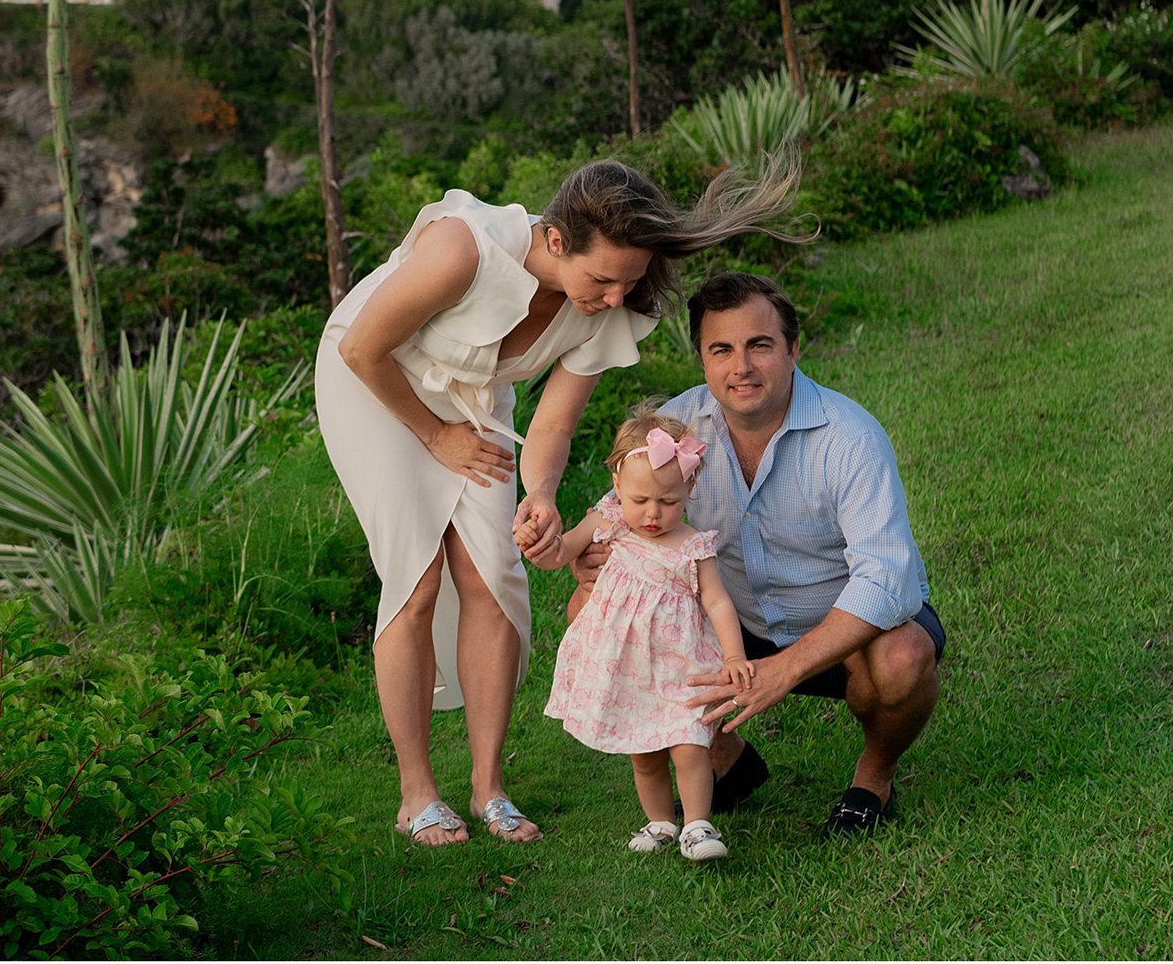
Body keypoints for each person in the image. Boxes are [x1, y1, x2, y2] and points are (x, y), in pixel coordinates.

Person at [316, 163, 796, 847]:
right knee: (418, 578)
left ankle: (489, 788)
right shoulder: (463, 249)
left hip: (471, 400)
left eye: (629, 282)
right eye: (602, 280)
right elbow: (364, 346)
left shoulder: (608, 307)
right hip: (373, 384)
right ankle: (417, 794)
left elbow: (553, 426)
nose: (613, 297)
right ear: (555, 240)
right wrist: (436, 437)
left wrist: (540, 494)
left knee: (494, 576)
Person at [566, 271, 940, 837]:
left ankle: (873, 779)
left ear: (793, 349)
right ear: (703, 360)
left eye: (759, 345)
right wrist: (588, 552)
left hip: (841, 632)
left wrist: (784, 670)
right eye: (722, 349)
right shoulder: (677, 428)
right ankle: (727, 761)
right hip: (731, 623)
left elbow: (888, 581)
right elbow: (621, 508)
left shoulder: (850, 437)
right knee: (590, 608)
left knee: (904, 658)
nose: (741, 366)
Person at [527, 413, 756, 861]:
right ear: (616, 482)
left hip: (680, 664)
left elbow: (718, 603)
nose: (653, 514)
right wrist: (537, 537)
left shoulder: (692, 546)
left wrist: (733, 656)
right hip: (629, 668)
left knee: (690, 745)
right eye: (641, 499)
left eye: (668, 502)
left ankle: (696, 825)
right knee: (645, 753)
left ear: (689, 490)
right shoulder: (607, 522)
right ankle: (659, 822)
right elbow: (558, 555)